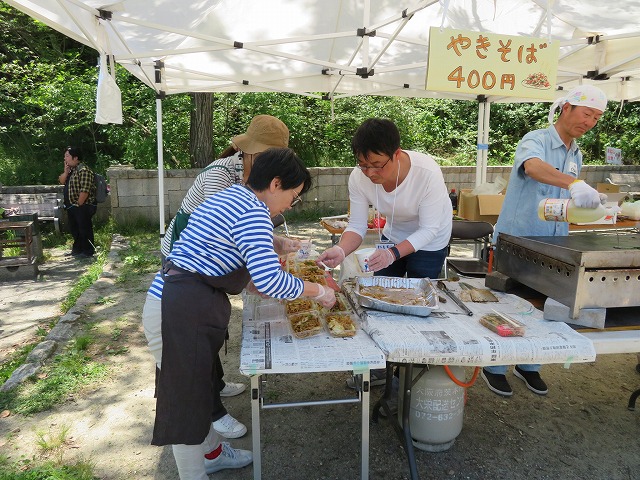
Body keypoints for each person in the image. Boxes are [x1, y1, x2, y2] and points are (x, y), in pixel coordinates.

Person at [146, 148, 335, 479]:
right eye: (293, 195)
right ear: (276, 184)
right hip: (176, 309)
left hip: (181, 303)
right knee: (186, 404)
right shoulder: (254, 211)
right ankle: (195, 474)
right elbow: (268, 279)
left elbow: (227, 242)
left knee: (198, 389)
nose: (292, 204)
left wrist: (274, 243)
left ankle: (214, 454)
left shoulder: (238, 196)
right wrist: (319, 292)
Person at [155, 114, 294, 439]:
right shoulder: (222, 177)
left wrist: (277, 243)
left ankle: (215, 384)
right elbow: (226, 233)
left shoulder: (250, 180)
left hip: (206, 266)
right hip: (188, 261)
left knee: (208, 326)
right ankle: (213, 411)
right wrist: (294, 282)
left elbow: (242, 231)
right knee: (196, 333)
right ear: (252, 155)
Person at [482, 84, 608, 398]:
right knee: (510, 303)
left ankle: (530, 364)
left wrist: (592, 202)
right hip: (518, 238)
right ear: (567, 108)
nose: (590, 122)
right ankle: (495, 365)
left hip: (553, 241)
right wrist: (575, 182)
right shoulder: (536, 139)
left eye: (596, 117)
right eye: (586, 113)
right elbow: (533, 167)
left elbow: (563, 196)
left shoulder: (575, 152)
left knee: (544, 304)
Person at [317, 118, 453, 393]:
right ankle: (383, 366)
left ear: (397, 154)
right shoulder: (359, 178)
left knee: (418, 303)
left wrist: (393, 253)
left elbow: (429, 228)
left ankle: (414, 370)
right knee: (379, 300)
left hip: (430, 239)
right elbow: (356, 226)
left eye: (377, 165)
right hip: (393, 235)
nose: (369, 173)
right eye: (363, 165)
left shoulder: (426, 172)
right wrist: (341, 250)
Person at [58, 146, 97, 258]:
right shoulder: (72, 171)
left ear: (75, 158)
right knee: (75, 229)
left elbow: (85, 189)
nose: (65, 159)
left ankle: (88, 251)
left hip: (83, 206)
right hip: (72, 206)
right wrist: (65, 172)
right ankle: (78, 250)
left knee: (84, 228)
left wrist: (79, 204)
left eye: (67, 156)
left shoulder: (83, 170)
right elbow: (61, 181)